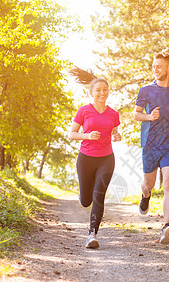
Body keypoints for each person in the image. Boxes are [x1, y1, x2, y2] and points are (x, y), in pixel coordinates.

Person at [133, 52, 169, 244]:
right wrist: (149, 117)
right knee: (149, 184)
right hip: (151, 144)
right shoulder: (146, 90)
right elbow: (136, 114)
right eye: (154, 66)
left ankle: (166, 227)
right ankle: (145, 195)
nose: (155, 70)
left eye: (159, 66)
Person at [68, 67, 121, 249]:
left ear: (108, 92)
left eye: (105, 90)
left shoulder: (113, 114)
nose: (102, 93)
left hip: (106, 158)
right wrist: (87, 136)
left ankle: (92, 234)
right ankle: (85, 195)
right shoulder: (83, 111)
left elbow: (114, 132)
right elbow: (72, 134)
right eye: (98, 90)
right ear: (91, 93)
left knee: (99, 196)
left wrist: (116, 136)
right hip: (86, 159)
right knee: (85, 200)